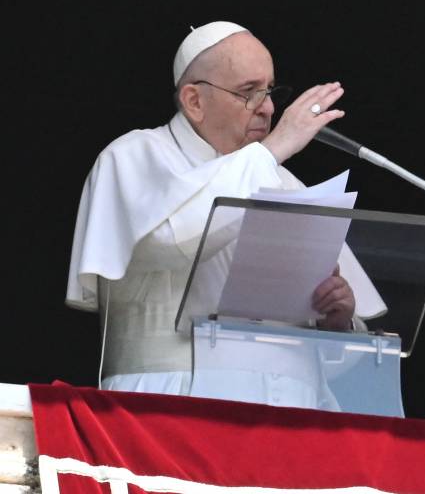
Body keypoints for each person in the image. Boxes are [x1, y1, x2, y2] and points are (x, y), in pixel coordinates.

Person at [65, 21, 382, 409]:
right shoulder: (134, 157)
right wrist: (271, 152)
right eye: (249, 92)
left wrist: (338, 321)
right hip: (173, 405)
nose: (267, 108)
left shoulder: (289, 184)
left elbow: (348, 359)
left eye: (269, 91)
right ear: (194, 100)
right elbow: (165, 242)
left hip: (295, 412)